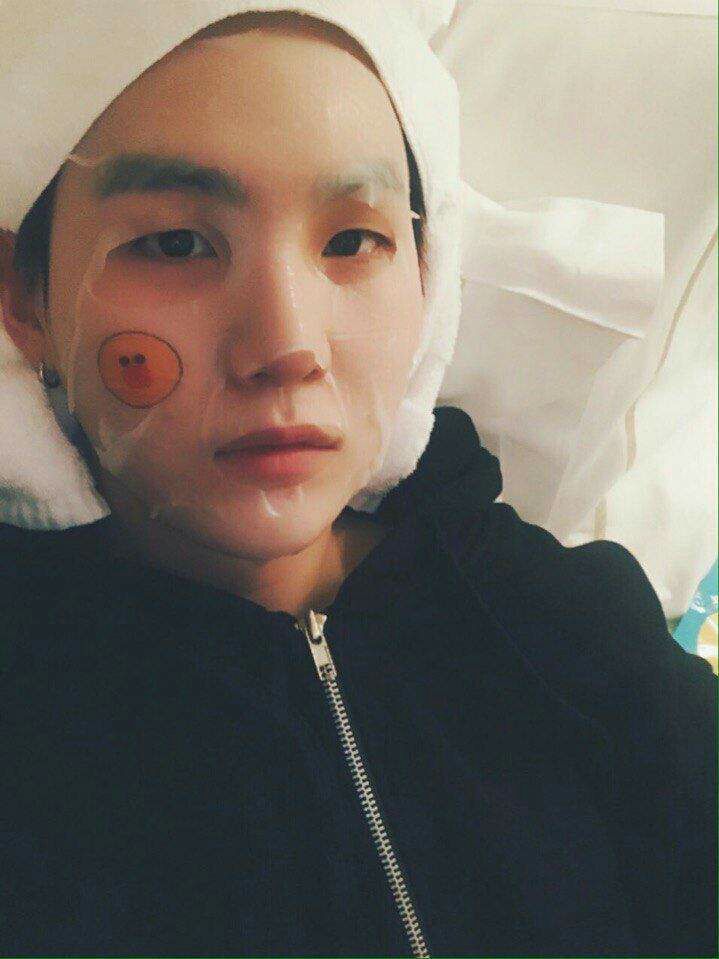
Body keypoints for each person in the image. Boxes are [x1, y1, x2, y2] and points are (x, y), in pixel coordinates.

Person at [0, 5, 715, 957]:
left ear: (428, 278)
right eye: (175, 244)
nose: (286, 344)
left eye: (351, 242)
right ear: (25, 300)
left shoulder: (565, 627)